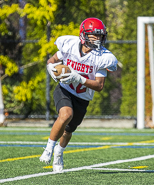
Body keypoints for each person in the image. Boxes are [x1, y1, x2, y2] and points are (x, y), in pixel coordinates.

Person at [40, 17, 118, 172]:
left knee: (69, 130)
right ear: (84, 35)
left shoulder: (102, 57)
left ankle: (59, 153)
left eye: (100, 35)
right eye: (94, 35)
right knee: (65, 114)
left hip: (82, 97)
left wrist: (79, 78)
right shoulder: (69, 44)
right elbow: (52, 60)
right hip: (65, 89)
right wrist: (51, 68)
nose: (99, 38)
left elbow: (99, 85)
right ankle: (48, 148)